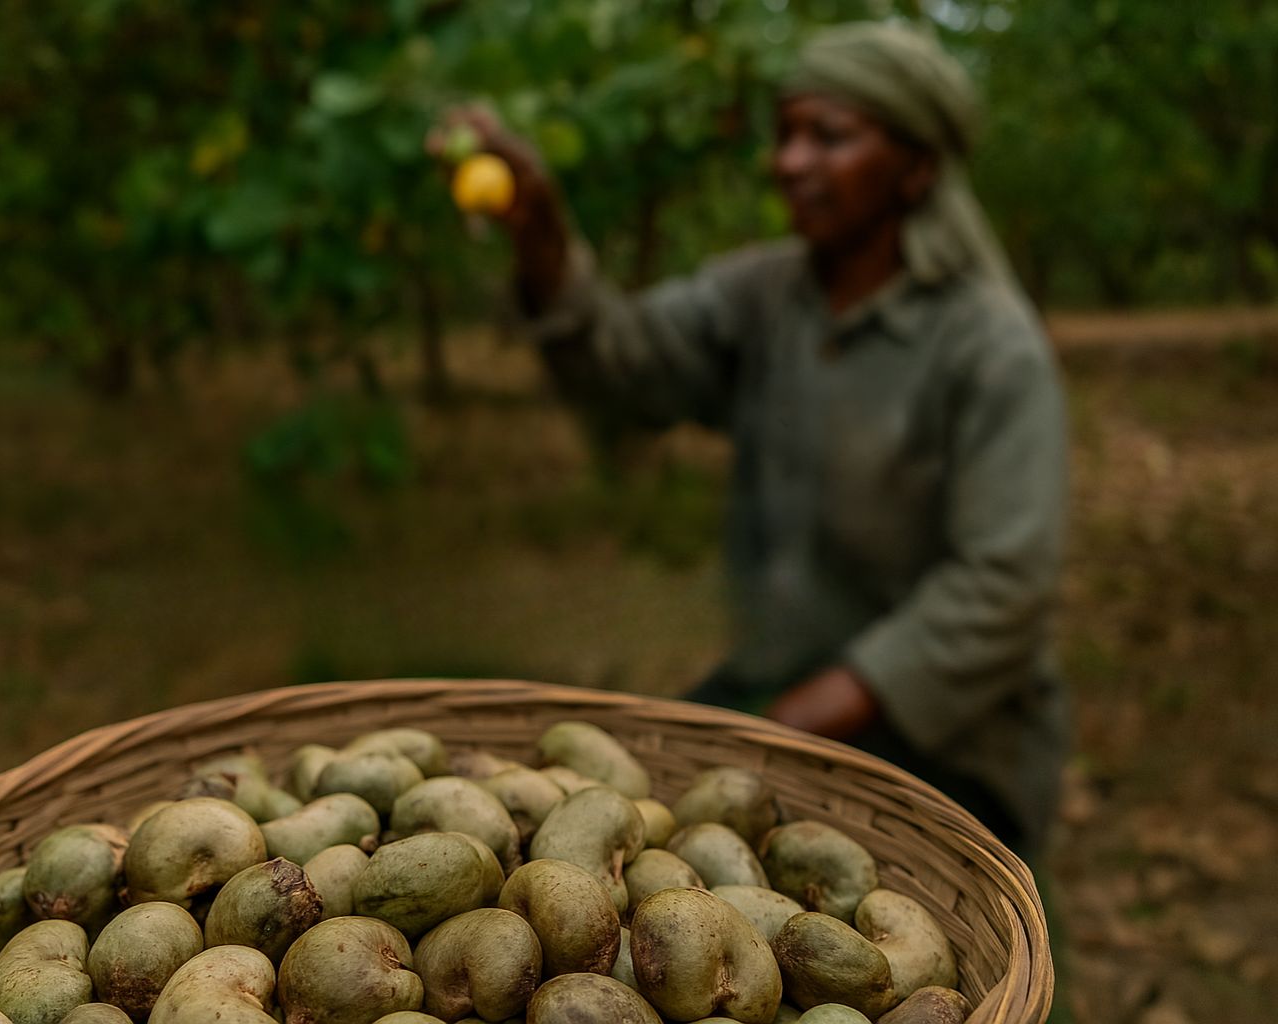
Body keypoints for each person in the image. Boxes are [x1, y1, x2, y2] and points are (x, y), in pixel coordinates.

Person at [436, 20, 1070, 864]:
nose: (789, 161)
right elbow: (627, 364)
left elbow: (1002, 588)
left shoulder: (991, 347)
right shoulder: (764, 296)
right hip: (772, 692)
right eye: (786, 135)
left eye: (829, 137)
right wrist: (541, 234)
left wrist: (785, 729)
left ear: (917, 168)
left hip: (943, 741)